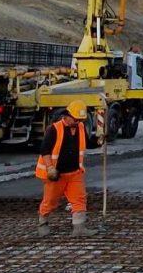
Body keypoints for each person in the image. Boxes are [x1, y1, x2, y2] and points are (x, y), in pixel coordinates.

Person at [36, 100, 99, 236]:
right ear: (67, 115)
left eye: (79, 119)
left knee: (79, 199)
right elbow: (45, 150)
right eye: (75, 119)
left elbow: (88, 143)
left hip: (74, 173)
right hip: (57, 174)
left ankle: (79, 228)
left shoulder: (80, 127)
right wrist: (50, 168)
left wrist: (99, 140)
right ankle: (43, 223)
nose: (77, 122)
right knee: (50, 201)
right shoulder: (54, 129)